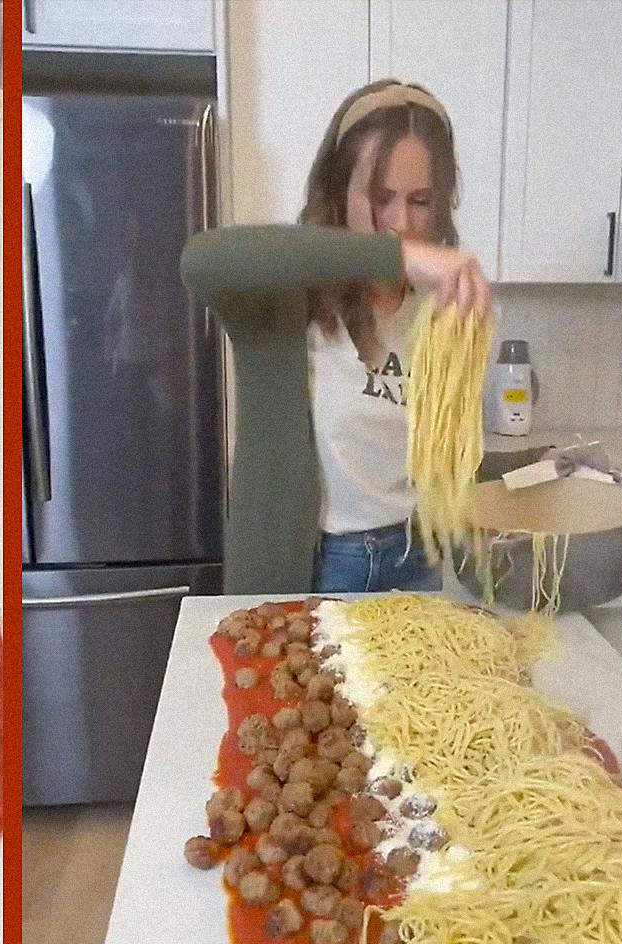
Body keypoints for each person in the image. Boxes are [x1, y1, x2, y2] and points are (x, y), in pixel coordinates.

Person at [181, 81, 491, 595]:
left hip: (418, 559)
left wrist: (531, 475)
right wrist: (396, 258)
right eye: (379, 197)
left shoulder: (441, 310)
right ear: (337, 189)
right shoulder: (284, 297)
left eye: (421, 201)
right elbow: (202, 259)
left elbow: (442, 461)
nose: (400, 223)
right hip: (318, 567)